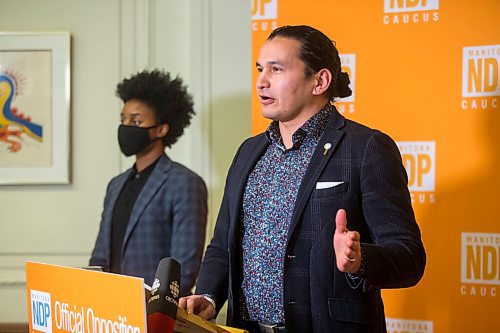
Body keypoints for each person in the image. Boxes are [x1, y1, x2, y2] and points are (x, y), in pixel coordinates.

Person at [179, 25, 426, 332]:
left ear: (319, 81)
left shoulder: (366, 148)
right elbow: (222, 246)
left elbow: (409, 258)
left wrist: (360, 260)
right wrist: (208, 295)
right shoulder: (249, 151)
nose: (261, 82)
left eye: (277, 69)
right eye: (259, 69)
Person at [89, 69, 207, 296]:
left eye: (135, 121)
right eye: (123, 120)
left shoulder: (185, 183)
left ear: (161, 129)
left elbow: (183, 268)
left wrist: (151, 308)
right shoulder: (116, 185)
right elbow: (100, 256)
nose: (125, 127)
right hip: (111, 312)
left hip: (155, 315)